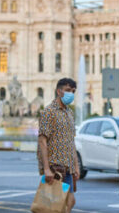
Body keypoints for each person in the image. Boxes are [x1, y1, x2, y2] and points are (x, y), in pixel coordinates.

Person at [37, 78, 79, 213]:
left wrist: (76, 166)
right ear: (59, 91)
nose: (70, 94)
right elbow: (42, 141)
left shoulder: (69, 113)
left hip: (68, 167)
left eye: (73, 91)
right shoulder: (48, 112)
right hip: (55, 167)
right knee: (55, 205)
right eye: (67, 90)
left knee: (70, 201)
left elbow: (71, 141)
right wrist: (46, 168)